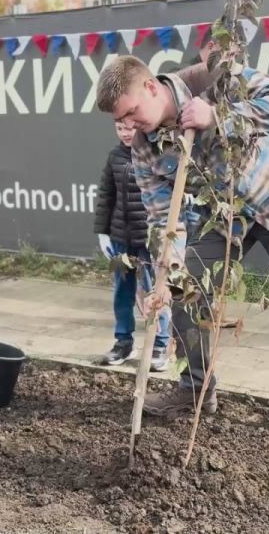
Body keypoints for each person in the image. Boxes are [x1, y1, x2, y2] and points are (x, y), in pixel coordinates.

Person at [95, 48, 269, 450]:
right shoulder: (144, 144)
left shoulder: (214, 78)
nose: (128, 124)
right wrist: (165, 271)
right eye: (120, 120)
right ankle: (196, 389)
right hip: (226, 214)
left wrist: (219, 116)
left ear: (152, 87)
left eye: (132, 112)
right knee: (186, 289)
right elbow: (162, 216)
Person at [94, 121, 172, 371]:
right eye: (119, 128)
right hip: (120, 239)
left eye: (129, 128)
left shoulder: (155, 153)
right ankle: (124, 342)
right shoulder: (115, 156)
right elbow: (106, 195)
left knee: (155, 293)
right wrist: (103, 232)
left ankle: (160, 343)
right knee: (122, 293)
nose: (125, 133)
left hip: (148, 240)